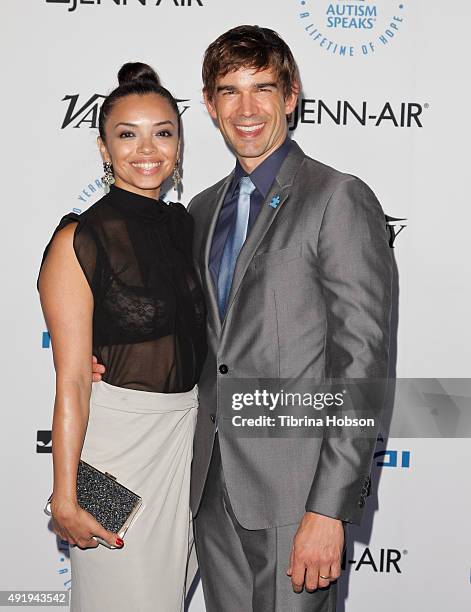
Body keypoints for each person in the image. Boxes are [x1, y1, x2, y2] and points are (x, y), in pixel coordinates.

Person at [93, 26, 393, 612]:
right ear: (208, 105)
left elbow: (362, 363)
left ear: (292, 95)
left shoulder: (337, 197)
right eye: (230, 91)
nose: (247, 108)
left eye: (263, 88)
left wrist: (329, 509)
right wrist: (102, 352)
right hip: (210, 489)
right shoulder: (199, 211)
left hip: (297, 494)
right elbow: (189, 333)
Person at [38, 62, 206, 612]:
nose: (147, 149)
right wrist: (65, 495)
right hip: (116, 449)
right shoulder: (79, 238)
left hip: (190, 443)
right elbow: (72, 381)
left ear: (179, 143)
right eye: (127, 135)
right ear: (103, 148)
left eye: (163, 132)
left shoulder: (188, 226)